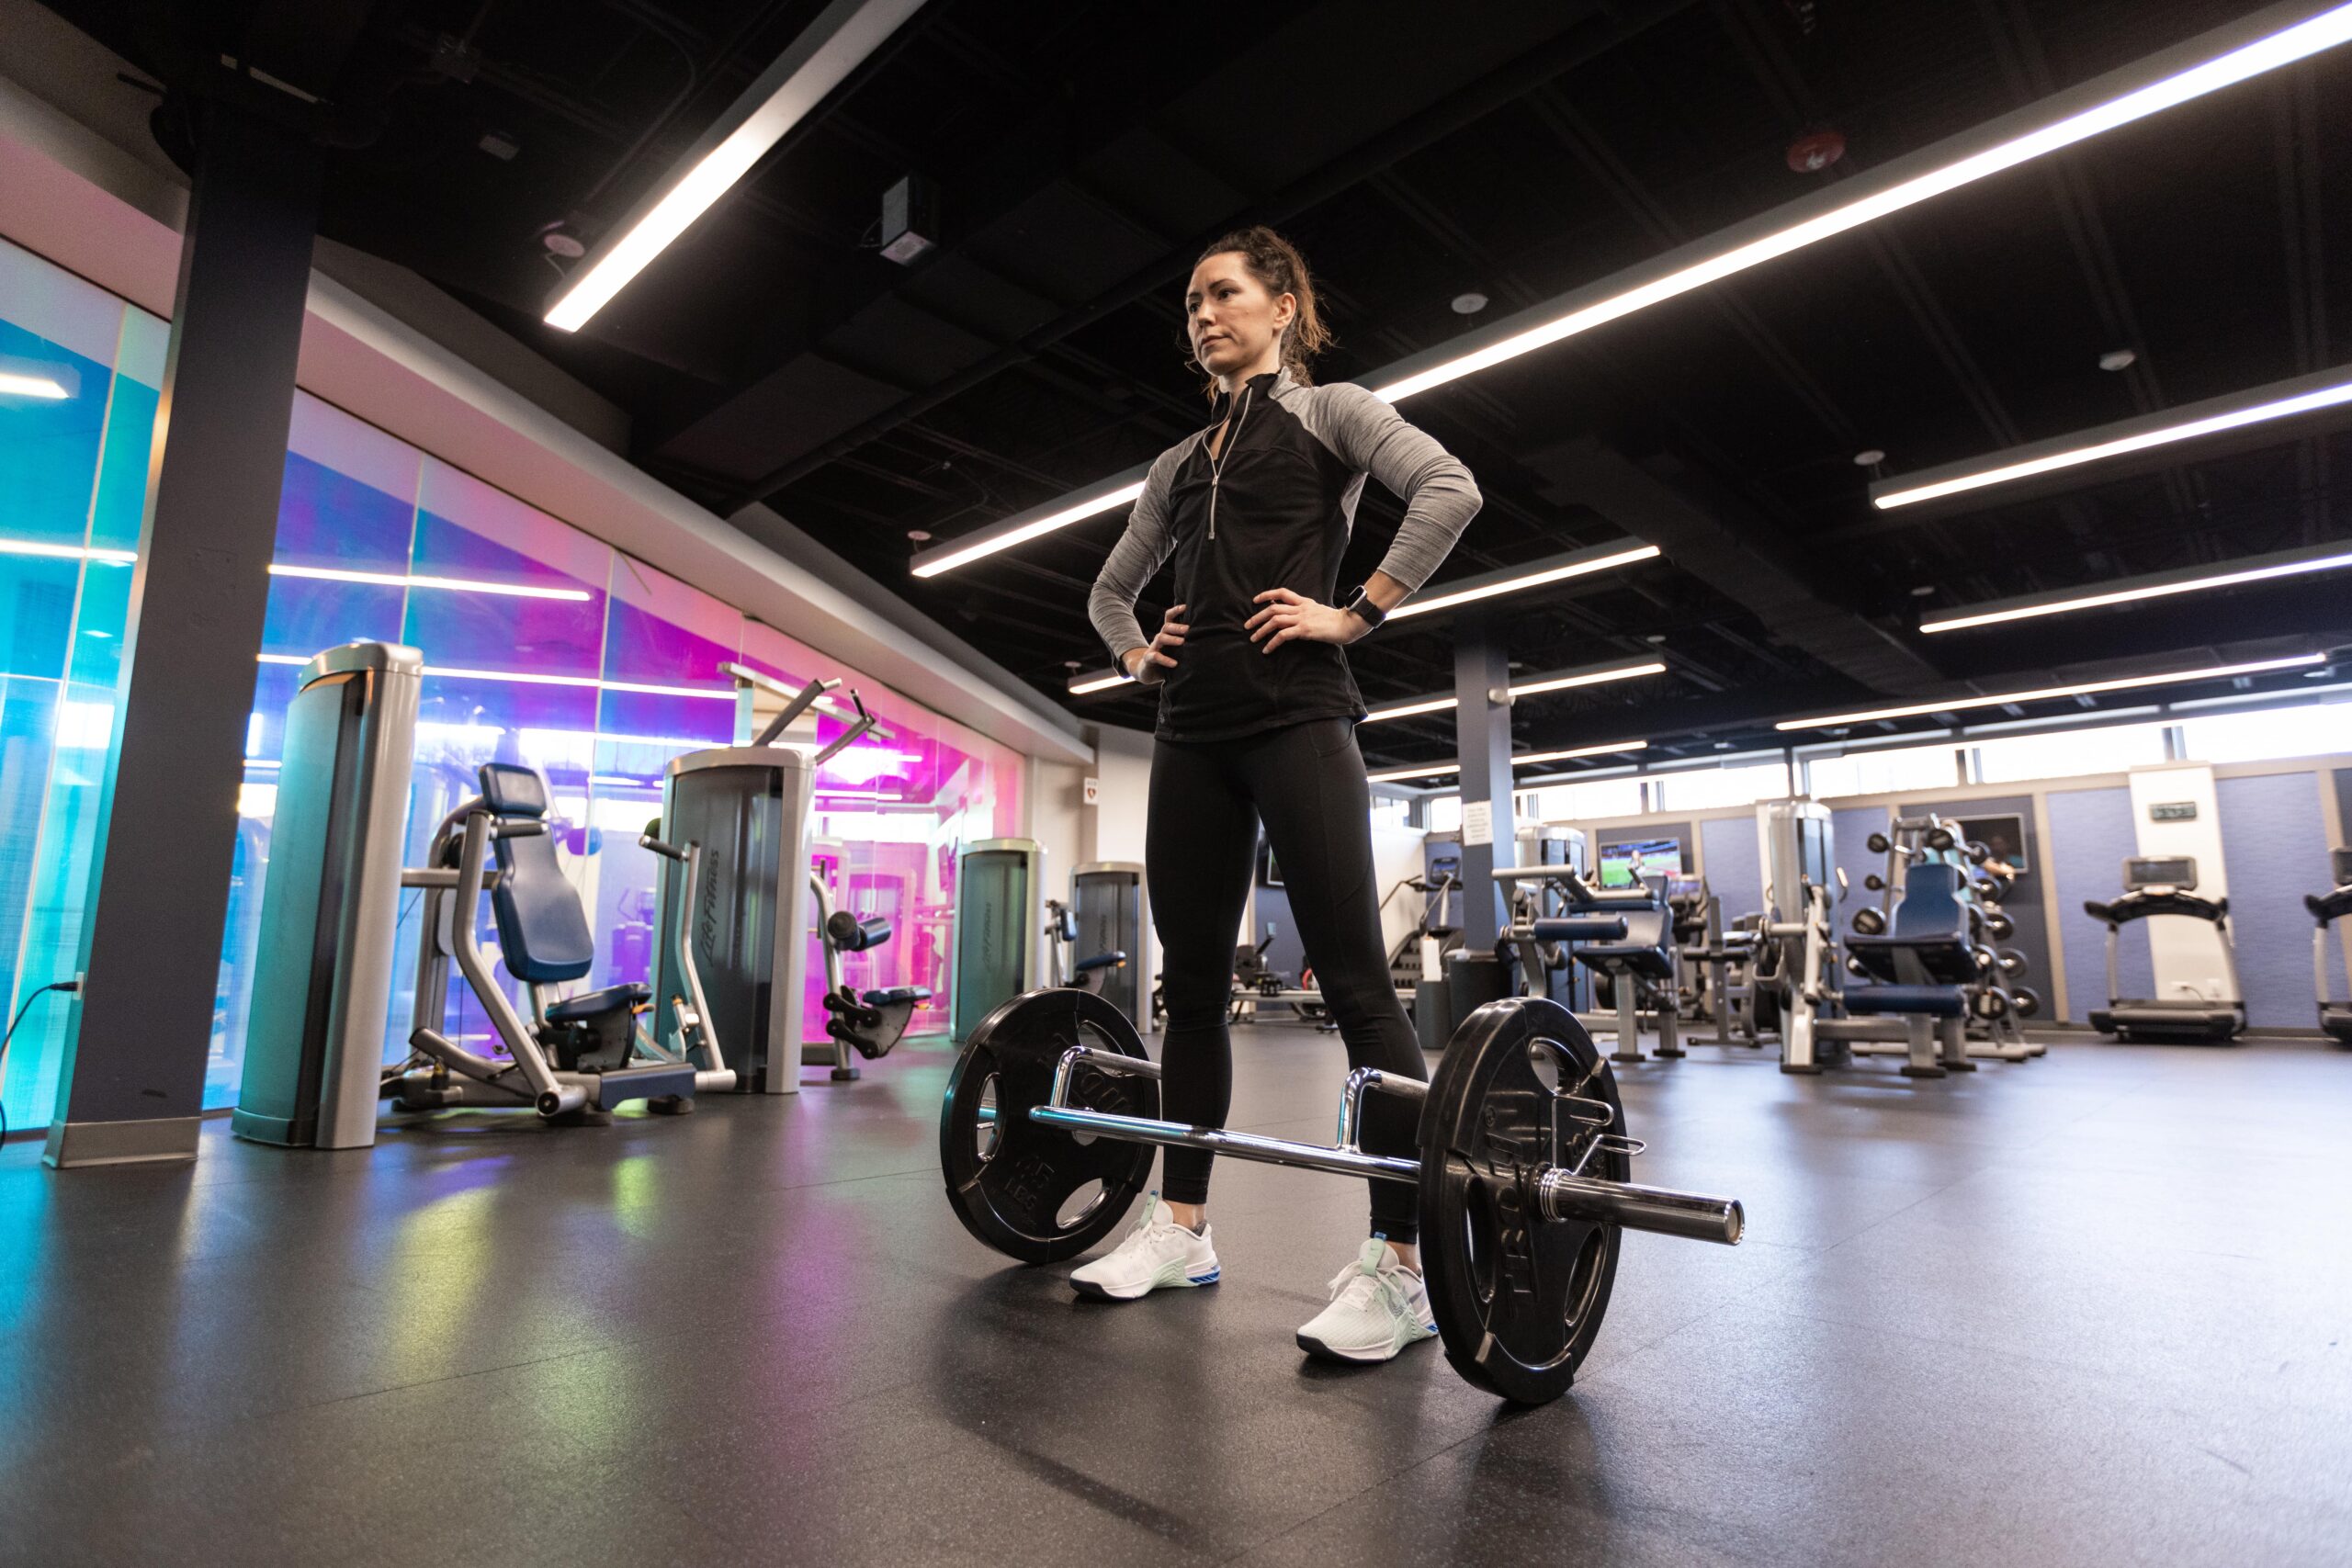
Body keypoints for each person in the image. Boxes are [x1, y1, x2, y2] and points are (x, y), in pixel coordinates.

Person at [1079, 225, 1481, 1363]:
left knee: (1356, 979)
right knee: (1192, 991)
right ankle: (1183, 1229)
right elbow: (1111, 591)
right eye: (1192, 302)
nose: (1203, 315)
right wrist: (1134, 653)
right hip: (1191, 730)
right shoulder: (1177, 461)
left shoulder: (1330, 410)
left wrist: (1356, 611)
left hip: (1300, 713)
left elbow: (1449, 489)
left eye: (1223, 294)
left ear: (1283, 306)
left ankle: (1401, 1268)